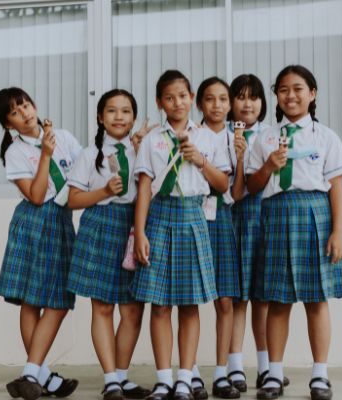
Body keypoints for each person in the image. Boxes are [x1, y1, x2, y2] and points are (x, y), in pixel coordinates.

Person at [246, 66, 342, 400]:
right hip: (274, 217)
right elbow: (250, 185)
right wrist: (268, 167)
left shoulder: (326, 137)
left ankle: (320, 375)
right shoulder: (264, 138)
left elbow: (336, 188)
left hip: (314, 217)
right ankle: (274, 375)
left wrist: (338, 232)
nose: (290, 96)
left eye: (298, 89)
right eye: (283, 90)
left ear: (312, 93)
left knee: (316, 300)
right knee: (277, 301)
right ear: (276, 96)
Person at [131, 70, 230, 400]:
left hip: (193, 216)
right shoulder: (151, 140)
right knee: (159, 305)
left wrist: (200, 160)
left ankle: (185, 378)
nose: (177, 102)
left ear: (192, 99)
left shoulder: (208, 138)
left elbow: (223, 185)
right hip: (159, 215)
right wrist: (141, 232)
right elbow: (144, 187)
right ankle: (163, 378)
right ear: (160, 103)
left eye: (183, 96)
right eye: (169, 97)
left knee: (189, 304)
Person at [66, 89, 155, 400]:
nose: (120, 117)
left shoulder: (141, 151)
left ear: (133, 117)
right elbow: (72, 200)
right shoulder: (90, 155)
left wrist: (145, 149)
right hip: (100, 227)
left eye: (126, 111)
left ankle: (122, 376)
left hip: (133, 227)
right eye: (113, 111)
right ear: (100, 117)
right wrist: (103, 191)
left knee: (132, 309)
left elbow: (152, 191)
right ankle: (110, 380)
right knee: (102, 306)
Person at [0, 87, 82, 400]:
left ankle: (36, 374)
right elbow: (35, 194)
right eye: (15, 112)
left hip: (60, 221)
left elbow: (83, 173)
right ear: (9, 125)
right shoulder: (15, 152)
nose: (25, 113)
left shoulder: (65, 137)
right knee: (33, 300)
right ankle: (39, 374)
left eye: (26, 105)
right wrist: (45, 154)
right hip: (33, 222)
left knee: (58, 299)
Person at [222, 74, 290, 393]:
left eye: (254, 97)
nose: (247, 103)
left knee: (262, 294)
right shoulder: (220, 135)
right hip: (233, 216)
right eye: (240, 97)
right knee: (237, 296)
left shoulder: (271, 134)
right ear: (230, 103)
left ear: (264, 103)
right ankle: (235, 365)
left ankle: (266, 367)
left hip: (266, 216)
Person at [195, 76, 240, 399]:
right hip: (192, 215)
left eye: (223, 99)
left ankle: (221, 372)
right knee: (188, 299)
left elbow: (233, 191)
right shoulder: (190, 135)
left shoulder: (235, 139)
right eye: (210, 99)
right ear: (200, 104)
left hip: (222, 216)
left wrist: (241, 157)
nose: (217, 105)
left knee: (225, 299)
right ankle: (190, 371)